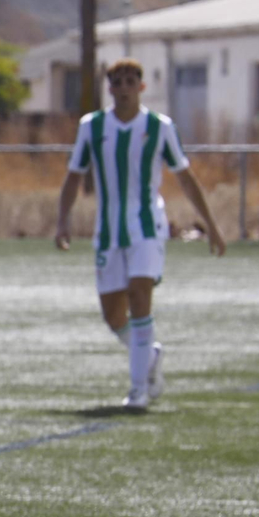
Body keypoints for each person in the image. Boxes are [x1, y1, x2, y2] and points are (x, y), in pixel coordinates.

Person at [54, 58, 227, 409]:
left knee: (139, 293)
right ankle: (148, 356)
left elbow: (185, 176)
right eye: (118, 81)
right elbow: (74, 175)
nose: (124, 87)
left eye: (131, 80)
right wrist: (63, 221)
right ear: (110, 88)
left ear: (142, 87)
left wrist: (210, 224)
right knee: (113, 317)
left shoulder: (159, 126)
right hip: (108, 230)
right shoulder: (93, 126)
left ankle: (138, 390)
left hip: (148, 225)